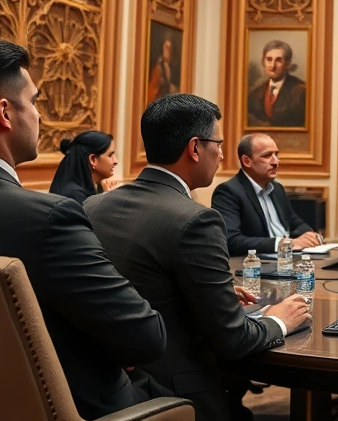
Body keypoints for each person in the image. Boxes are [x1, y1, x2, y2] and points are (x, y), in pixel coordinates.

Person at [0, 39, 166, 420]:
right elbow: (147, 339)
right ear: (5, 113)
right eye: (35, 101)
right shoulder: (49, 218)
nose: (39, 116)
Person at [84, 93, 311, 421]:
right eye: (217, 144)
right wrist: (280, 319)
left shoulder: (93, 206)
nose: (220, 154)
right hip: (175, 392)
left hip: (105, 385)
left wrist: (203, 290)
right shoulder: (196, 220)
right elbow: (232, 339)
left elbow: (139, 281)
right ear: (194, 148)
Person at [211, 133, 321, 256]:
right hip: (255, 265)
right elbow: (232, 241)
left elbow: (295, 222)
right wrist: (284, 244)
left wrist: (309, 235)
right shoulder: (228, 192)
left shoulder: (277, 188)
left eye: (276, 155)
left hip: (287, 259)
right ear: (247, 161)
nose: (276, 162)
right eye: (267, 155)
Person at [49, 130, 120, 204]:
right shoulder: (73, 196)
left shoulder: (97, 186)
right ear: (93, 159)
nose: (116, 161)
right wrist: (109, 200)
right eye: (110, 155)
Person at [246, 40, 306, 127]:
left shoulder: (300, 92)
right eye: (269, 59)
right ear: (263, 61)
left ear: (287, 63)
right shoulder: (255, 94)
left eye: (278, 60)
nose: (272, 66)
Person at [147, 36, 178, 104]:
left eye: (170, 48)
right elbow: (152, 92)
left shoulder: (173, 68)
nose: (169, 51)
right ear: (162, 49)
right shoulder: (158, 68)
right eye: (166, 48)